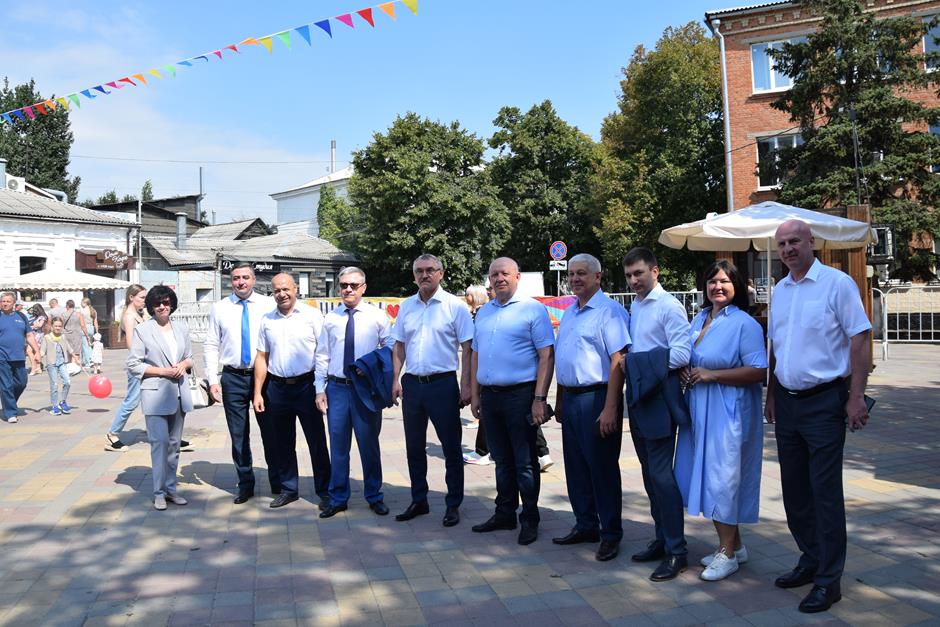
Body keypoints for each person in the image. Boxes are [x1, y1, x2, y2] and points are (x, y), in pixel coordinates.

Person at [765, 219, 872, 614]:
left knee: (824, 494)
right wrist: (771, 394)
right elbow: (776, 345)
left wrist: (855, 397)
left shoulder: (837, 284)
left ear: (812, 242)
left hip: (825, 402)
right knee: (794, 491)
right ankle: (810, 559)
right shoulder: (780, 290)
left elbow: (860, 338)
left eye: (795, 241)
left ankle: (829, 581)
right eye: (782, 244)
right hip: (787, 403)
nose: (788, 249)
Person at [674, 260, 767, 582]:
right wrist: (685, 369)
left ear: (736, 286)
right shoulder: (700, 317)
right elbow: (692, 356)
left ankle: (726, 554)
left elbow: (759, 370)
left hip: (728, 411)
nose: (718, 286)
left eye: (725, 281)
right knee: (706, 476)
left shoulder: (744, 324)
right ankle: (735, 546)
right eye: (713, 281)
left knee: (722, 479)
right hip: (700, 407)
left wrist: (713, 375)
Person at [469, 257, 555, 546]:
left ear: (517, 276)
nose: (499, 278)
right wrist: (476, 394)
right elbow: (476, 354)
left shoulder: (533, 309)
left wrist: (540, 398)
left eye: (505, 273)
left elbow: (546, 355)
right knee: (501, 460)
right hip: (491, 396)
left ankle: (529, 518)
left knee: (525, 462)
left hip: (521, 395)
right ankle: (504, 513)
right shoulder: (484, 312)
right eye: (494, 274)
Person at [552, 254, 631, 562]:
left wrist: (611, 407)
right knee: (576, 467)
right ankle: (585, 524)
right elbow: (565, 356)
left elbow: (618, 360)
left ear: (598, 277)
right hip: (572, 398)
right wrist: (560, 399)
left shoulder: (609, 312)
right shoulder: (571, 312)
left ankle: (610, 534)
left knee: (602, 469)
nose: (574, 279)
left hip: (597, 397)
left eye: (582, 273)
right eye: (571, 274)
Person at [622, 247, 692, 581]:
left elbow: (681, 353)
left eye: (638, 273)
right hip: (639, 397)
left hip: (659, 400)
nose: (633, 280)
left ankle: (678, 551)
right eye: (628, 275)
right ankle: (662, 539)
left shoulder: (669, 306)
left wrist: (634, 364)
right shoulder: (636, 305)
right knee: (650, 475)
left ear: (655, 271)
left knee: (662, 477)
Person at [391, 254, 473, 527]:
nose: (424, 275)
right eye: (419, 271)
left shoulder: (455, 306)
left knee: (451, 447)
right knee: (414, 447)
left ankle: (453, 504)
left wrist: (466, 385)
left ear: (441, 273)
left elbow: (468, 348)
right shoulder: (407, 307)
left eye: (430, 270)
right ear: (414, 275)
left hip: (443, 385)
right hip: (413, 385)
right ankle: (419, 500)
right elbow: (399, 345)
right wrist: (395, 379)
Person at [315, 267, 392, 518]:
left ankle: (374, 495)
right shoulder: (331, 318)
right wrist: (319, 389)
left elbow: (391, 346)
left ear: (364, 288)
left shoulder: (377, 316)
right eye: (344, 285)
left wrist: (371, 365)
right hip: (337, 388)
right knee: (338, 447)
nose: (348, 289)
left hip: (365, 389)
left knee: (369, 445)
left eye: (353, 285)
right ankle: (338, 497)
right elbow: (322, 355)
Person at [253, 273, 332, 509]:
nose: (282, 294)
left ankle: (325, 491)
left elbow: (323, 353)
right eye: (277, 290)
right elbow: (261, 356)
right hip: (277, 388)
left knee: (316, 441)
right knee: (282, 443)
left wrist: (321, 388)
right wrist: (258, 392)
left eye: (286, 289)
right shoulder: (267, 320)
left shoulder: (312, 315)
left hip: (307, 386)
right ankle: (289, 489)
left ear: (295, 288)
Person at [205, 262, 279, 504]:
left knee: (271, 431)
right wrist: (212, 380)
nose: (241, 282)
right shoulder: (220, 308)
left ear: (254, 279)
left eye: (245, 277)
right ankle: (245, 483)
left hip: (263, 378)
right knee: (238, 435)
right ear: (231, 281)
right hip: (233, 377)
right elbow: (211, 344)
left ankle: (277, 481)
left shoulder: (268, 305)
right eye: (236, 278)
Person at [126, 285, 194, 511]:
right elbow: (133, 364)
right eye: (157, 303)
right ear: (151, 307)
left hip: (178, 393)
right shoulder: (143, 330)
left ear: (172, 303)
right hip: (155, 394)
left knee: (174, 445)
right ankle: (158, 492)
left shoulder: (182, 328)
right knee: (159, 444)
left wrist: (184, 364)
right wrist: (163, 371)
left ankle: (171, 489)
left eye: (166, 302)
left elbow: (190, 357)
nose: (162, 307)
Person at [105, 285, 147, 451]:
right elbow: (130, 343)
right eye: (142, 297)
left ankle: (166, 434)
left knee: (153, 398)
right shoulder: (129, 317)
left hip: (145, 363)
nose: (144, 301)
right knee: (131, 401)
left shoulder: (139, 314)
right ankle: (112, 434)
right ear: (131, 297)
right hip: (138, 364)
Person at [1, 292, 39, 424]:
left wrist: (37, 351)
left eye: (8, 301)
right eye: (3, 301)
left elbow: (29, 335)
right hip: (2, 357)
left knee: (22, 383)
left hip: (18, 356)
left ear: (13, 303)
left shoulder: (21, 316)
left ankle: (8, 403)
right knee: (6, 385)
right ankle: (11, 413)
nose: (5, 303)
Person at [40, 317, 80, 415]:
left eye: (60, 326)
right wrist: (38, 359)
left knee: (67, 382)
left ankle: (63, 401)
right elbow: (42, 351)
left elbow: (69, 348)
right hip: (51, 364)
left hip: (62, 362)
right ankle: (54, 406)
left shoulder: (63, 336)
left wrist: (76, 358)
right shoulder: (47, 337)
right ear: (52, 326)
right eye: (56, 326)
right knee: (54, 385)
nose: (58, 328)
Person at [60, 300, 88, 366]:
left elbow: (61, 325)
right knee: (76, 352)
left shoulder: (62, 315)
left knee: (68, 352)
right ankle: (74, 366)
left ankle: (69, 366)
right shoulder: (79, 314)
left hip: (66, 335)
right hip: (76, 335)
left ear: (67, 306)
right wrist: (87, 335)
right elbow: (83, 326)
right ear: (74, 306)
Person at [26, 303, 48, 375]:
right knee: (35, 351)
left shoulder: (42, 317)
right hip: (34, 334)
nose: (34, 311)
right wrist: (34, 325)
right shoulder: (36, 317)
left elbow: (39, 325)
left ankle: (34, 367)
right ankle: (38, 367)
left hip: (38, 335)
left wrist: (31, 326)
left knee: (29, 350)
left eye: (35, 310)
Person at [80, 298, 99, 368]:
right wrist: (97, 331)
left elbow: (81, 322)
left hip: (84, 328)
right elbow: (95, 322)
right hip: (91, 328)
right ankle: (87, 361)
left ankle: (90, 361)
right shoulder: (93, 310)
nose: (80, 303)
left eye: (81, 302)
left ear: (84, 303)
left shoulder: (81, 311)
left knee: (85, 346)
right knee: (89, 345)